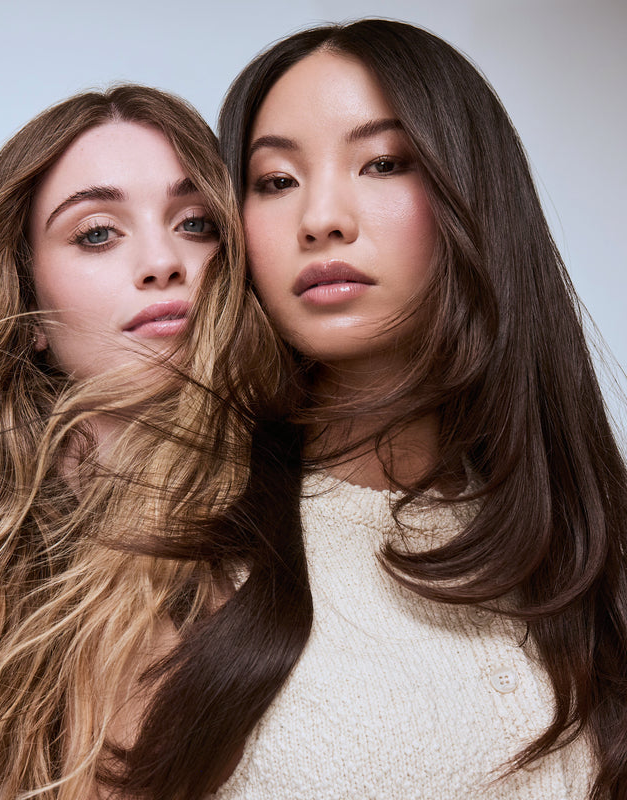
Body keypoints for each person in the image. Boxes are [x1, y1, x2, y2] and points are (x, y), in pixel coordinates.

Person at [0, 86, 309, 800]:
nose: (162, 260)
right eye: (96, 233)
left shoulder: (293, 551)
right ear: (28, 312)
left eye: (197, 223)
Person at [215, 18, 627, 800]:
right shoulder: (187, 546)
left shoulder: (593, 536)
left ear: (474, 197)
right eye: (275, 181)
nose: (323, 217)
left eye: (383, 163)